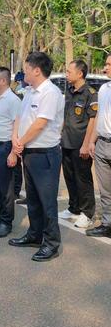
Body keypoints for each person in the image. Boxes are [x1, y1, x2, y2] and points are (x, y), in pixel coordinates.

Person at [9, 52, 64, 262]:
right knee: (32, 198)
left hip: (45, 155)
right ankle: (34, 234)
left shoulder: (50, 92)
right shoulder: (30, 92)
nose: (24, 72)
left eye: (26, 68)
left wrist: (19, 143)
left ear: (37, 70)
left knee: (46, 201)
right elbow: (20, 117)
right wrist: (16, 138)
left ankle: (51, 244)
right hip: (29, 152)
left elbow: (40, 124)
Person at [59, 60, 97, 229]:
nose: (66, 74)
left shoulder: (90, 93)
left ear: (80, 73)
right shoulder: (69, 90)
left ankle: (87, 213)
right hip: (66, 141)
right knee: (69, 177)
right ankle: (74, 208)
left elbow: (92, 120)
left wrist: (87, 143)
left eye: (69, 71)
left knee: (83, 179)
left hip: (80, 143)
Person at [0, 67, 22, 238]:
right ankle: (1, 215)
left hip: (6, 146)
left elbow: (18, 126)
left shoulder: (13, 100)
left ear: (3, 81)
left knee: (7, 188)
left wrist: (13, 153)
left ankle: (6, 222)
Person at [87, 53, 111, 238]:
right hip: (102, 144)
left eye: (109, 64)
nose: (105, 68)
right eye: (106, 64)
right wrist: (92, 141)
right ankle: (107, 224)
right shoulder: (103, 89)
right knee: (105, 190)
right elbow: (98, 118)